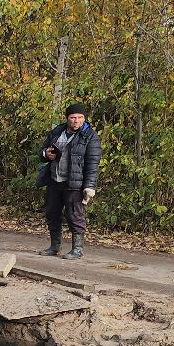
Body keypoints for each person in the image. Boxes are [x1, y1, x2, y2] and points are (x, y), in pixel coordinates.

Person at [36, 103, 100, 259]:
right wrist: (46, 154)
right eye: (73, 117)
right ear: (67, 118)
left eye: (79, 117)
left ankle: (77, 249)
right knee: (52, 213)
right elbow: (42, 151)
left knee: (74, 215)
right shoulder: (57, 132)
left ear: (84, 118)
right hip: (54, 180)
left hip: (75, 183)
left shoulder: (90, 136)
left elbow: (93, 164)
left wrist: (89, 187)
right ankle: (54, 247)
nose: (76, 121)